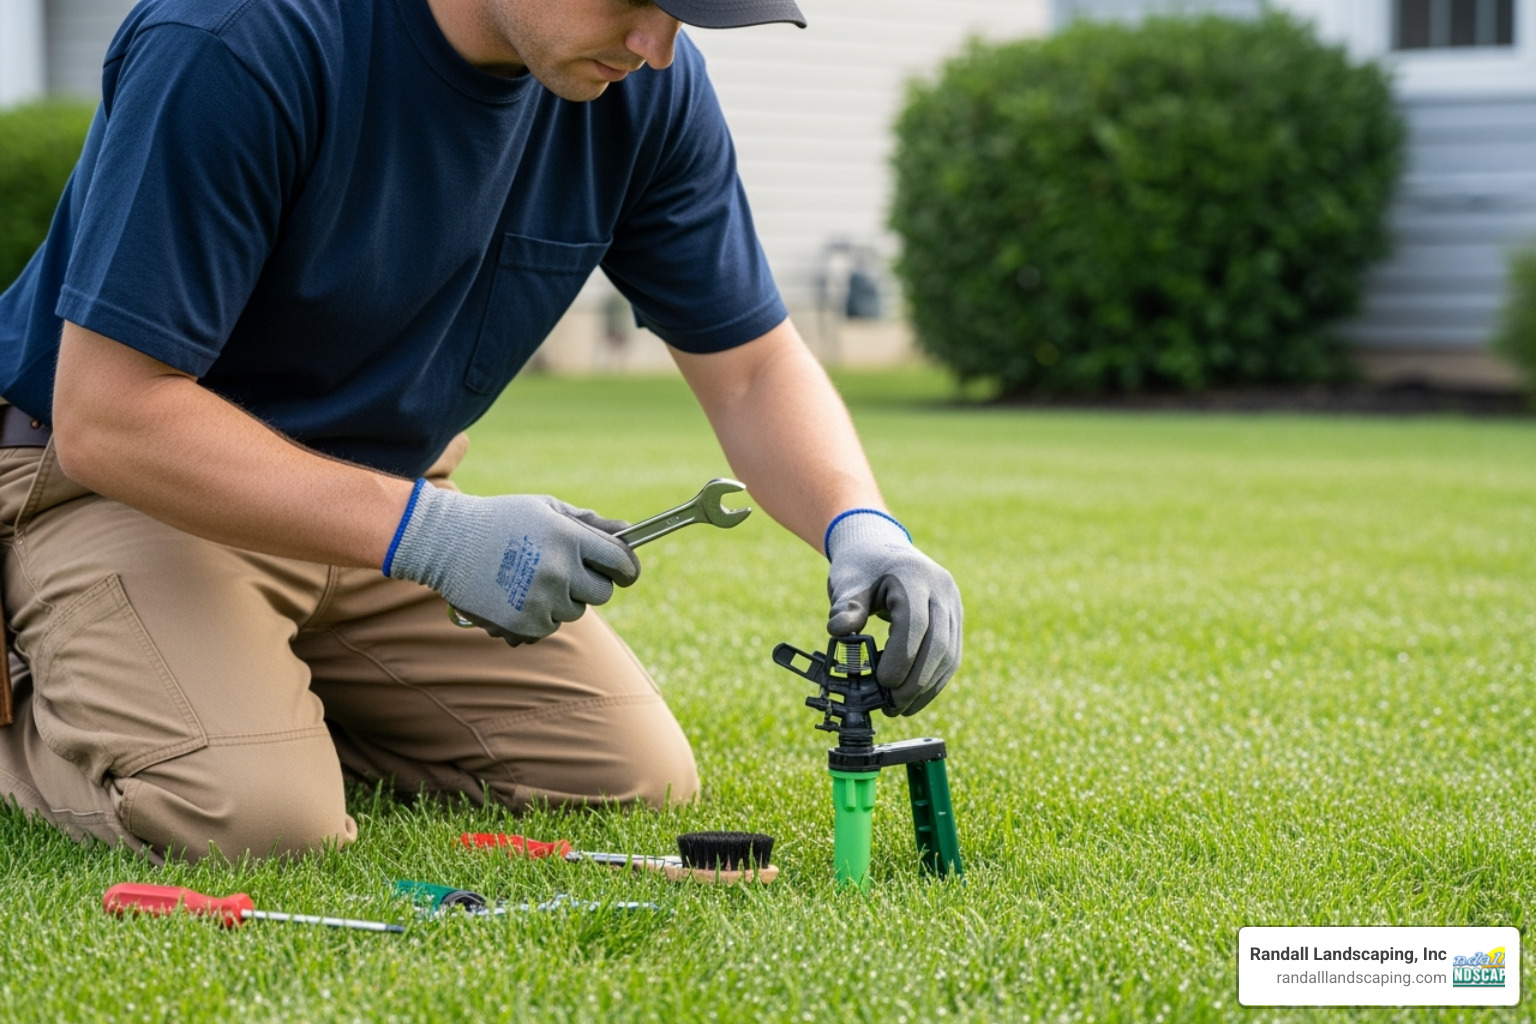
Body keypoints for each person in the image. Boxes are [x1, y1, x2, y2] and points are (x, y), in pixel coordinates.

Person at [0, 0, 963, 863]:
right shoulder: (240, 40)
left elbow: (752, 367)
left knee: (623, 772)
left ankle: (242, 697)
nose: (657, 46)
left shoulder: (641, 89)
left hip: (377, 504)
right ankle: (60, 695)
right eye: (639, 0)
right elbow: (112, 417)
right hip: (121, 488)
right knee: (253, 823)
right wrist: (435, 534)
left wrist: (859, 524)